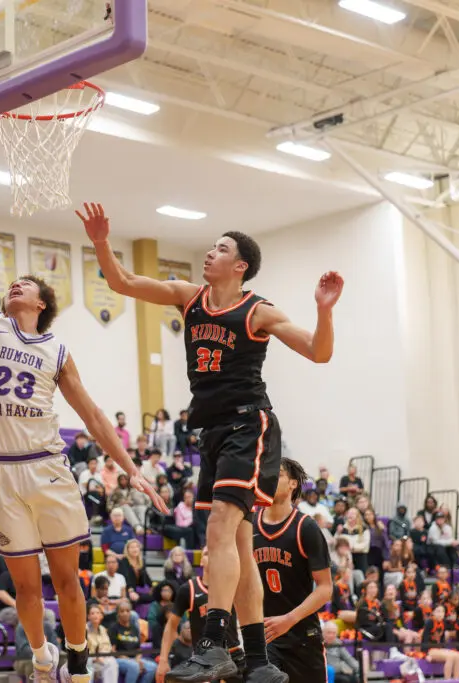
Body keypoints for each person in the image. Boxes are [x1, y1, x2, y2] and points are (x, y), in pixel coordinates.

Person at [78, 202, 342, 683]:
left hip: (249, 425)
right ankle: (259, 660)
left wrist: (323, 312)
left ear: (239, 265)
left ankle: (215, 643)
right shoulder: (189, 296)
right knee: (240, 542)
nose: (209, 252)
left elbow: (319, 352)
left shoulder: (257, 310)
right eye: (211, 246)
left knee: (221, 528)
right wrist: (100, 242)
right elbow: (122, 283)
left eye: (220, 248)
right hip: (212, 432)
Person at [0, 145, 165, 683]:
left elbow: (91, 415)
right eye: (13, 283)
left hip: (46, 465)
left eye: (25, 284)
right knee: (24, 586)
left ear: (40, 302)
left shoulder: (58, 351)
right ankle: (41, 658)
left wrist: (131, 468)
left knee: (68, 581)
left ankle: (76, 660)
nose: (14, 285)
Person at [255, 458, 333, 683]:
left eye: (277, 474)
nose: (269, 478)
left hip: (303, 637)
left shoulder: (306, 527)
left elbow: (325, 588)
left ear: (293, 484)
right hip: (266, 637)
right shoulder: (249, 525)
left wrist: (289, 619)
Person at [155, 547, 242, 683]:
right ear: (201, 561)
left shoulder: (233, 585)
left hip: (233, 655)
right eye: (207, 554)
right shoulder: (188, 589)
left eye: (216, 553)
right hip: (204, 660)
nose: (212, 557)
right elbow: (171, 626)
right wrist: (163, 660)